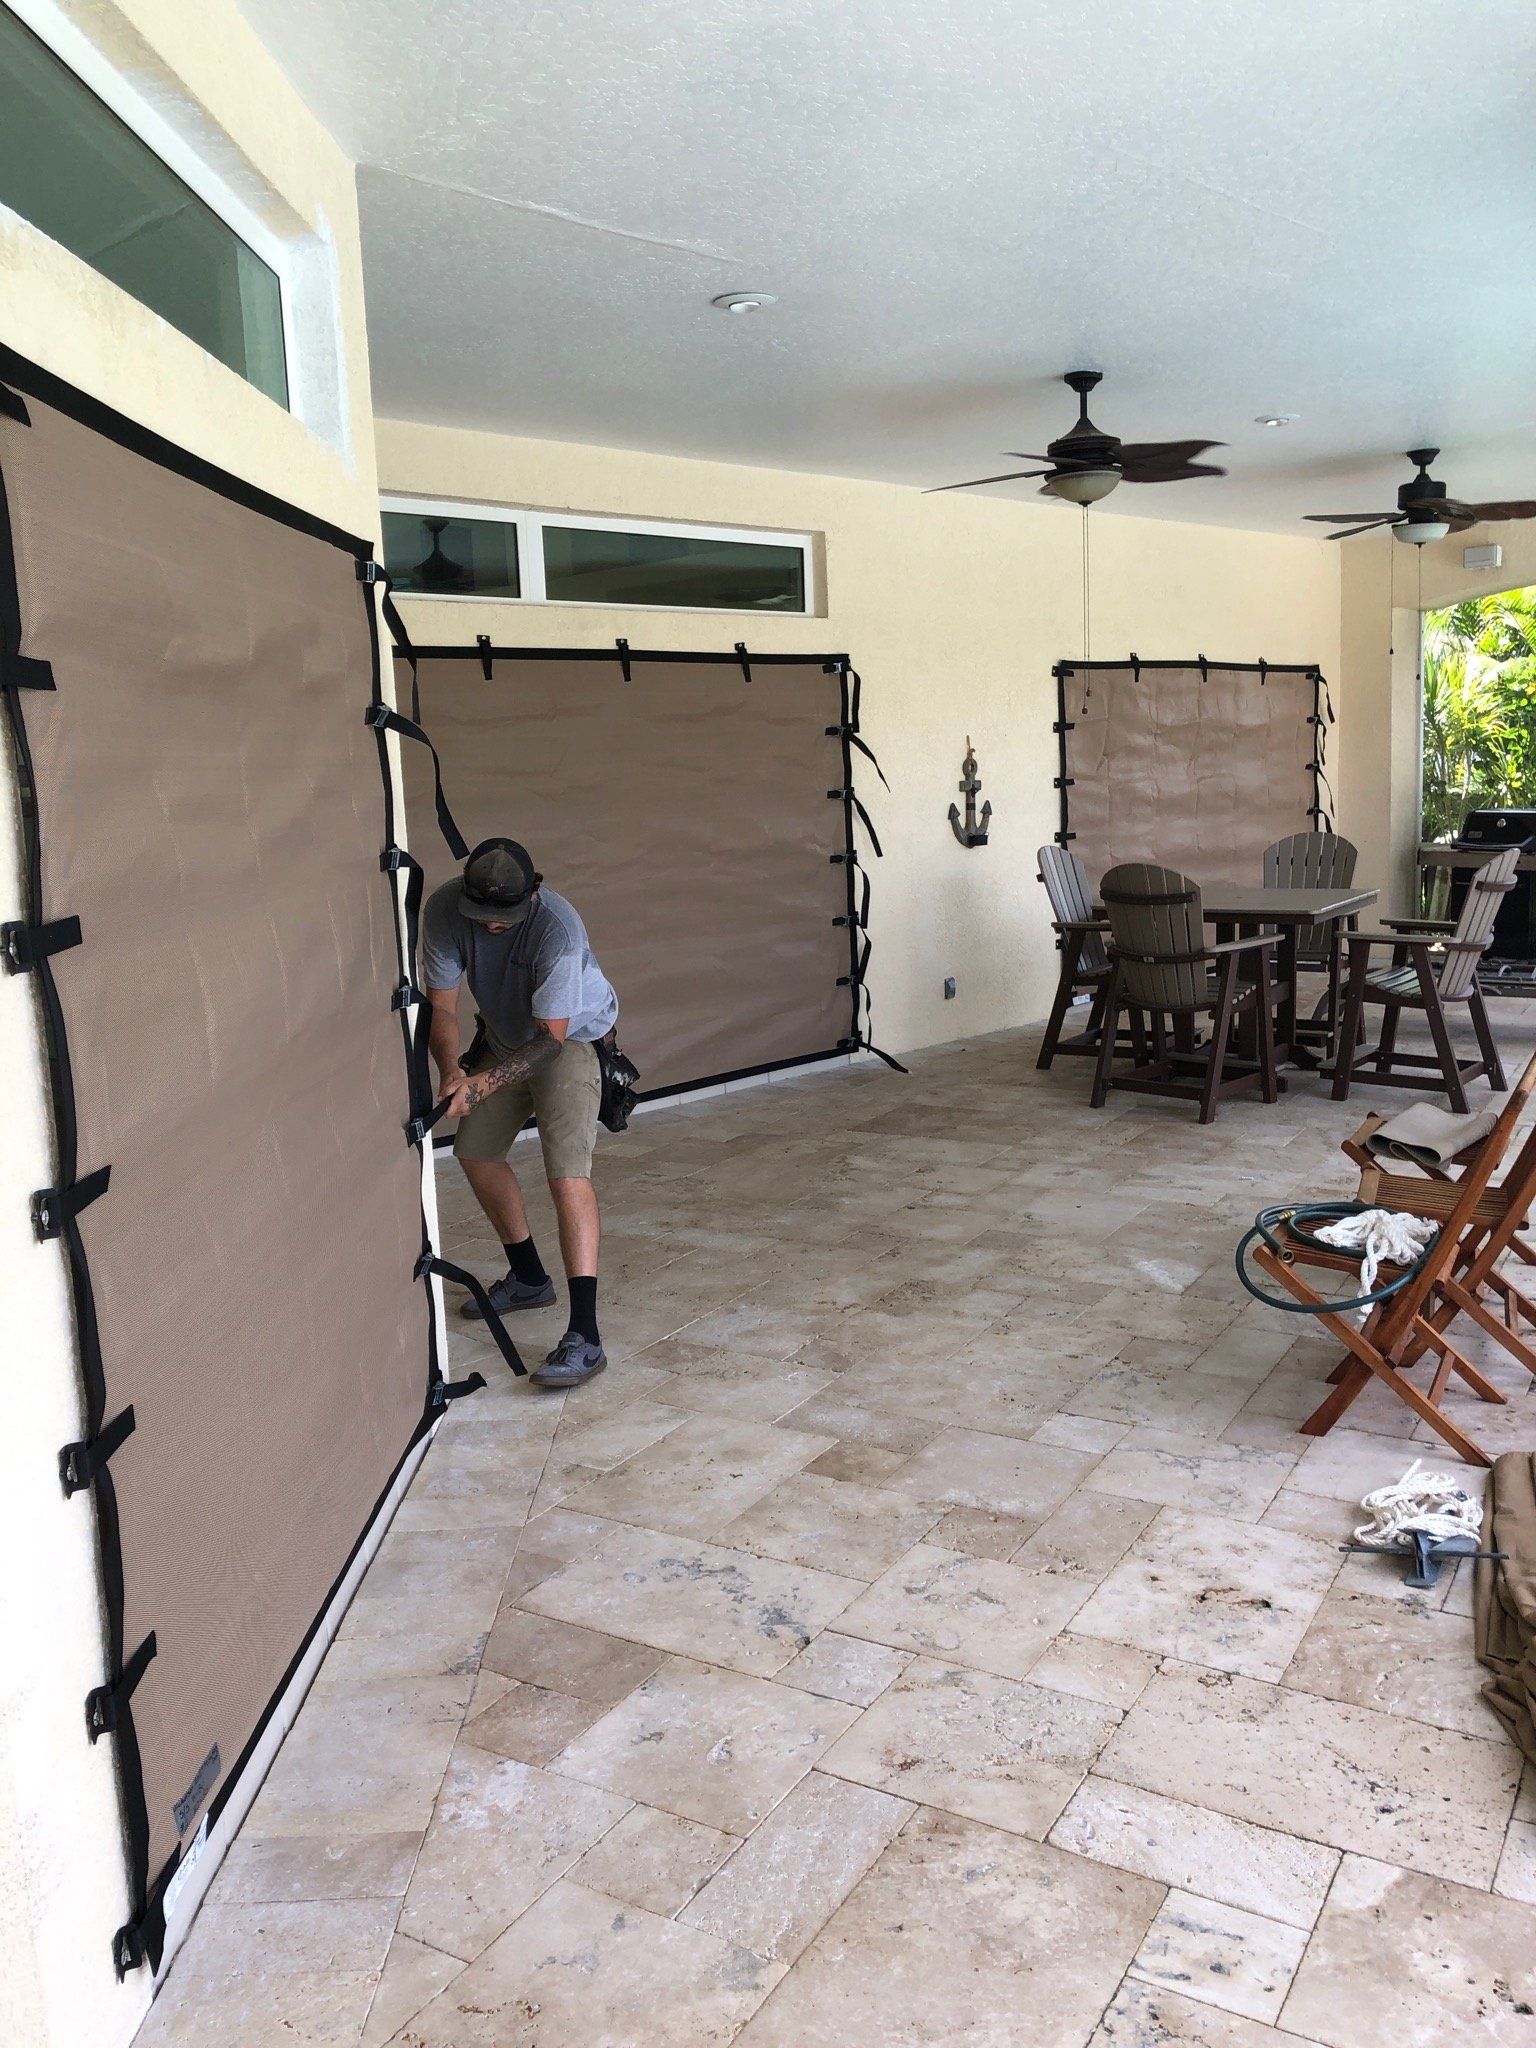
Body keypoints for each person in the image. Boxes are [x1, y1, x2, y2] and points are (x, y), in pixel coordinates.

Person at [421, 836, 618, 1390]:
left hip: (570, 1039)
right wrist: (450, 1072)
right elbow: (443, 1005)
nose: (490, 926)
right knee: (475, 1154)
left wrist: (483, 1082)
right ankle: (530, 1279)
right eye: (480, 915)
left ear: (533, 894)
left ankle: (586, 1336)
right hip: (506, 1038)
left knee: (566, 1175)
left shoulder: (558, 927)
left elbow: (551, 1039)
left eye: (502, 916)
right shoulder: (444, 910)